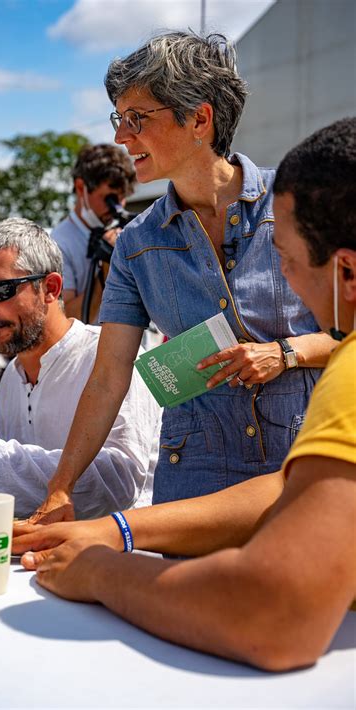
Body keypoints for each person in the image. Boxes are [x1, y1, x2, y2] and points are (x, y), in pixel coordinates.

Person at [12, 117, 356, 671]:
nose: (123, 137)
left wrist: (102, 567)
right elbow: (288, 490)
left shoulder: (348, 378)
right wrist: (111, 526)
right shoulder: (138, 244)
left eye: (286, 260)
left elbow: (273, 616)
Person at [33, 30, 335, 524]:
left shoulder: (299, 202)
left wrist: (286, 352)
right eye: (118, 118)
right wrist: (61, 488)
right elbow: (108, 378)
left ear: (199, 118)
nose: (120, 137)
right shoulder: (135, 245)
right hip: (192, 479)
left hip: (302, 466)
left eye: (136, 118)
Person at [0, 218, 160, 520]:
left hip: (118, 557)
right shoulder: (12, 376)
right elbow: (21, 490)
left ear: (50, 288)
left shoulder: (109, 358)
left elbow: (120, 486)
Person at [52, 143, 136, 321]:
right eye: (110, 197)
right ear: (81, 188)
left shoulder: (124, 232)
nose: (118, 207)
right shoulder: (59, 243)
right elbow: (66, 319)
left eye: (123, 198)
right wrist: (106, 271)